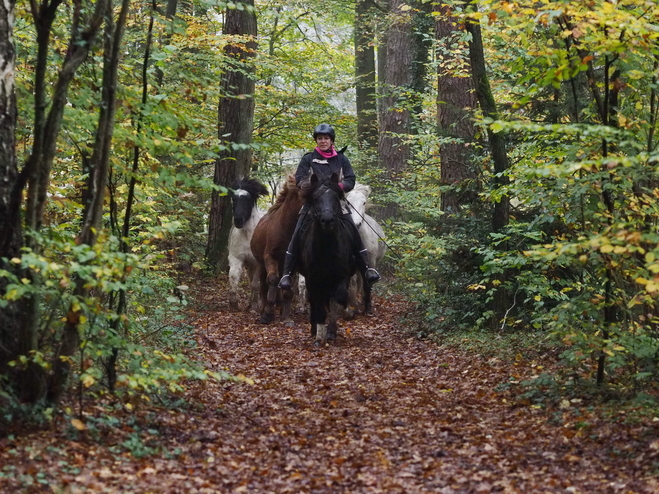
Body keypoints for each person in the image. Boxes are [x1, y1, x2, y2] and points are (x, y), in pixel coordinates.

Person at [278, 123, 381, 291]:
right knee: (297, 231)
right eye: (320, 138)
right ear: (316, 141)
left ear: (331, 141)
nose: (323, 141)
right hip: (313, 204)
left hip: (337, 203)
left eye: (326, 138)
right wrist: (312, 188)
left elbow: (350, 179)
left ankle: (367, 269)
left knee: (353, 230)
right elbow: (300, 179)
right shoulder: (308, 158)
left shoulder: (341, 159)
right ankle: (287, 274)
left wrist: (339, 187)